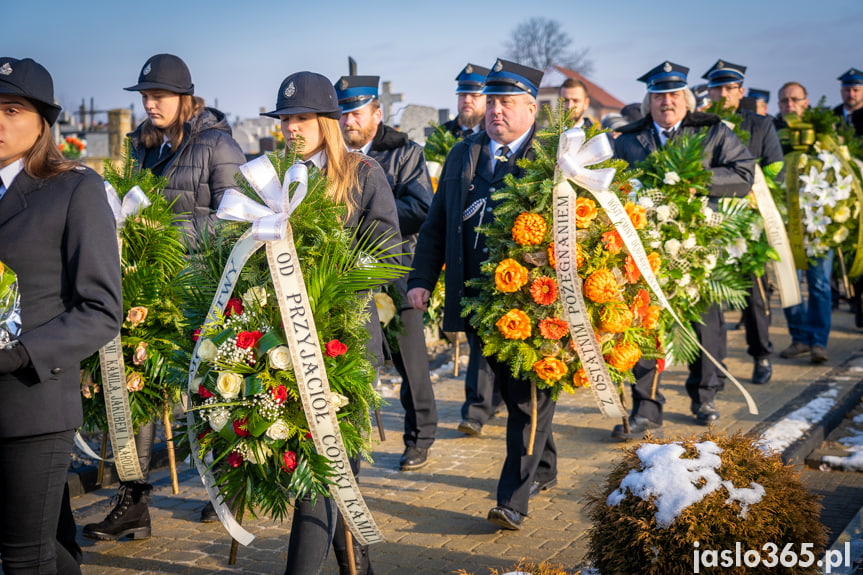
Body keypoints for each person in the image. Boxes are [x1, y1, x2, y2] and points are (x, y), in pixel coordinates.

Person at [83, 53, 245, 538]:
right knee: (139, 391)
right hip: (153, 292)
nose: (150, 104)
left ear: (185, 98)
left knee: (212, 397)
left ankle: (229, 487)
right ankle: (133, 504)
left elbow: (236, 218)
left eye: (159, 96)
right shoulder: (142, 148)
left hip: (208, 292)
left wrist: (166, 233)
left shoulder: (218, 143)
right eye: (145, 96)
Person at [408, 59, 558, 531]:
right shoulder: (463, 154)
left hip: (535, 306)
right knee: (519, 399)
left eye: (507, 102)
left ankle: (512, 500)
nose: (495, 110)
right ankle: (545, 465)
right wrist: (421, 280)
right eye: (491, 101)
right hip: (478, 300)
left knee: (528, 398)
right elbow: (435, 226)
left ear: (532, 108)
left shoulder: (555, 158)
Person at [262, 70, 401, 575]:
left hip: (345, 341)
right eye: (284, 120)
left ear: (326, 121)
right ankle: (354, 562)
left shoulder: (364, 174)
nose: (291, 129)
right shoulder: (273, 178)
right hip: (285, 343)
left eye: (300, 118)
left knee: (328, 463)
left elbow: (386, 249)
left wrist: (335, 277)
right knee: (315, 461)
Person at [0, 56, 123, 574]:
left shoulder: (74, 189)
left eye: (11, 110)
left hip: (31, 404)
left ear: (42, 122)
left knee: (25, 559)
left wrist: (22, 354)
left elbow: (100, 309)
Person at [610, 61, 755, 439]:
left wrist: (697, 181)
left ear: (688, 100)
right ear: (649, 101)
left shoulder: (711, 131)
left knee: (704, 323)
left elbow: (743, 173)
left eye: (674, 94)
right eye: (659, 95)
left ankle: (704, 396)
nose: (667, 101)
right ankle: (646, 407)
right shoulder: (628, 137)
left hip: (697, 244)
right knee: (644, 325)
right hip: (644, 248)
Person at [334, 74, 436, 471]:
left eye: (356, 113)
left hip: (396, 268)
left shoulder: (405, 152)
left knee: (411, 361)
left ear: (377, 113)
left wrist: (376, 209)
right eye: (343, 114)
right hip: (351, 275)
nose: (348, 122)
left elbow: (422, 206)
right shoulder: (334, 157)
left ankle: (419, 436)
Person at [702, 59, 784, 385]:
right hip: (709, 221)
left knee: (754, 294)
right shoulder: (701, 124)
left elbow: (775, 169)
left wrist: (756, 195)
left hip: (748, 223)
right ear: (708, 91)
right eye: (716, 87)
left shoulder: (760, 125)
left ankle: (761, 354)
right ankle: (716, 368)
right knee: (710, 298)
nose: (723, 93)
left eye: (729, 88)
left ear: (741, 91)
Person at [441, 64, 501, 437]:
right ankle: (477, 406)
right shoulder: (449, 139)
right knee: (479, 330)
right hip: (467, 247)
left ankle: (486, 403)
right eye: (463, 94)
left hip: (503, 249)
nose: (467, 100)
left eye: (476, 95)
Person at [833, 69, 863, 327]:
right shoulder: (831, 117)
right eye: (846, 89)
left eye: (855, 89)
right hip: (839, 194)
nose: (850, 94)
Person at [442, 64, 489, 139]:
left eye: (474, 95)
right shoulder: (442, 133)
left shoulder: (497, 134)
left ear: (488, 100)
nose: (467, 100)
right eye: (462, 94)